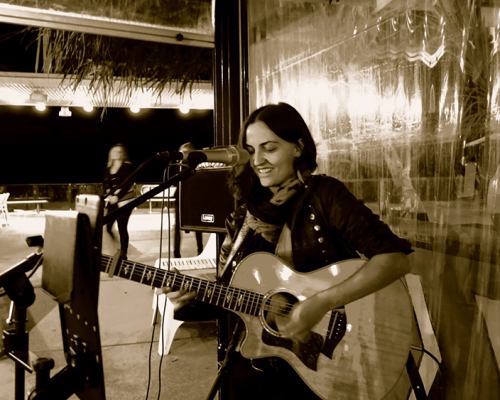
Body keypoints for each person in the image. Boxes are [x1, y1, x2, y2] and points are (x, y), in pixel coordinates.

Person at [162, 103, 414, 399]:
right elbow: (234, 294)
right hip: (254, 366)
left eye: (269, 148)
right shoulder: (243, 216)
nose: (258, 160)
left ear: (298, 147)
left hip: (321, 365)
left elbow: (395, 260)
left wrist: (320, 303)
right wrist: (194, 292)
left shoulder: (325, 196)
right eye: (251, 150)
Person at [103, 143, 135, 260]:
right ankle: (117, 248)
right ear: (111, 154)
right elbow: (105, 183)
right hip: (112, 201)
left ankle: (123, 253)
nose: (117, 153)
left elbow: (127, 184)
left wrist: (118, 196)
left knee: (122, 226)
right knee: (107, 227)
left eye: (120, 151)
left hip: (125, 201)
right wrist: (109, 194)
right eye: (115, 151)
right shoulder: (109, 167)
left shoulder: (127, 167)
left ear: (123, 154)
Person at [173, 142, 203, 258]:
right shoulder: (177, 166)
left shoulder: (198, 165)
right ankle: (176, 253)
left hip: (194, 199)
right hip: (180, 199)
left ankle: (200, 251)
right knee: (177, 227)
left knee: (197, 226)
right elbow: (174, 181)